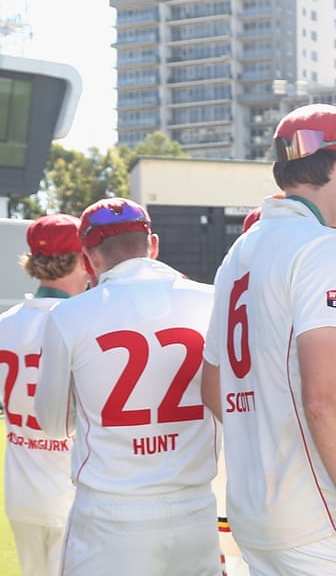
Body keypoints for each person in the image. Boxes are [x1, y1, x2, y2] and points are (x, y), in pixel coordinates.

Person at [201, 103, 336, 573]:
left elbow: (212, 387)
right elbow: (324, 399)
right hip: (317, 518)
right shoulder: (325, 247)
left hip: (254, 512)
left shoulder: (239, 251)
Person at [34, 198, 222, 574]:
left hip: (109, 514)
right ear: (151, 244)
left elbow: (54, 423)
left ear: (88, 258)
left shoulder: (70, 315)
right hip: (195, 508)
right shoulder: (211, 299)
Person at [0, 214, 89, 576]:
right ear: (83, 257)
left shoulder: (6, 323)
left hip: (21, 493)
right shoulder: (83, 319)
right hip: (72, 494)